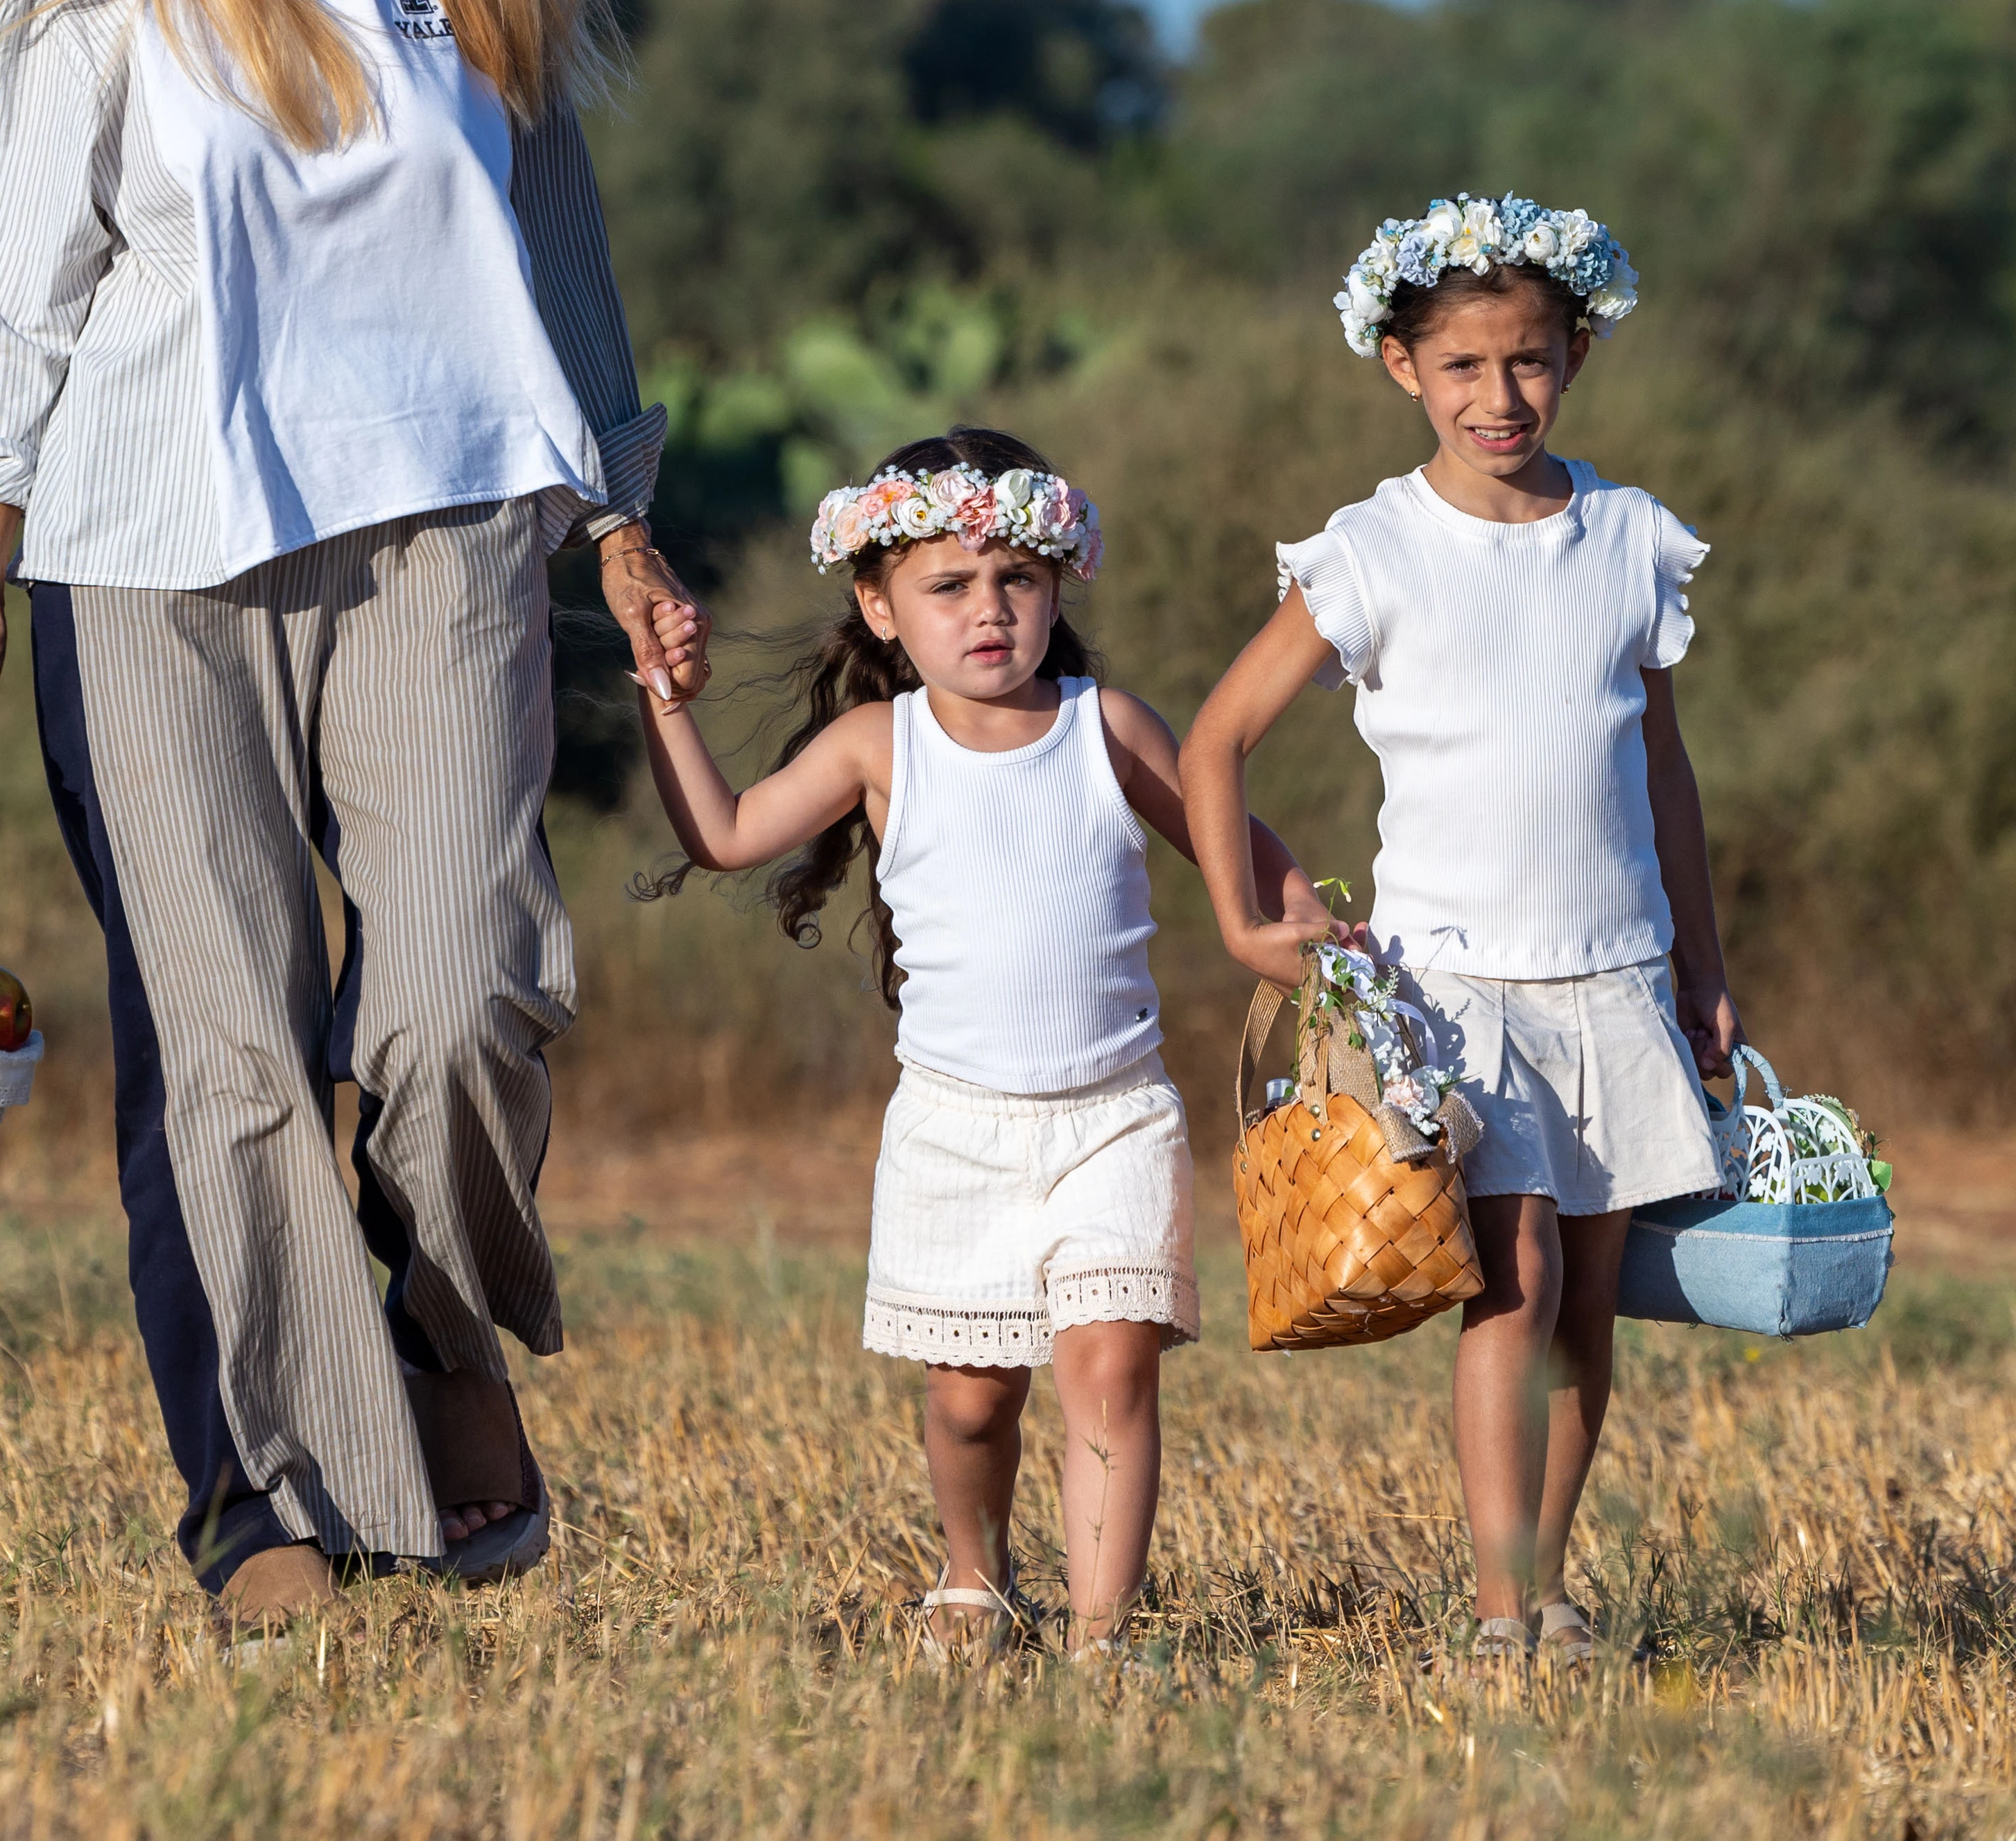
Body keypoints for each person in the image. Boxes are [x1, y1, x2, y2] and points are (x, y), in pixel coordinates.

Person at [0, 0, 705, 1634]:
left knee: (459, 1000)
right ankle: (271, 1510)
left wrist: (616, 514)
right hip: (146, 552)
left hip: (440, 536)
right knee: (231, 1049)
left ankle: (434, 1336)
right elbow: (2, 273)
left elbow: (554, 243)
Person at [625, 429, 1336, 1659]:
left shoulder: (1106, 725)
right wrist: (666, 707)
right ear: (880, 607)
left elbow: (1229, 831)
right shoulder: (877, 747)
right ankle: (976, 1572)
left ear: (1059, 583)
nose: (988, 611)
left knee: (1111, 1376)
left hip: (1114, 1114)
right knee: (969, 1403)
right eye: (947, 587)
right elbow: (728, 836)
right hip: (953, 1130)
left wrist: (1303, 915)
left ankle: (1103, 1637)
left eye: (1016, 579)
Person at [1177, 197, 1738, 1676]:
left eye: (1533, 361)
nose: (1501, 397)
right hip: (1456, 984)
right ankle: (1501, 1617)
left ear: (1579, 354)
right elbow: (1217, 740)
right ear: (1400, 369)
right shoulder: (1373, 550)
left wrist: (1704, 962)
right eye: (1465, 367)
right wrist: (1250, 918)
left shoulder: (1626, 539)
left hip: (1614, 968)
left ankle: (1550, 1587)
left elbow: (1662, 774)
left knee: (1591, 1311)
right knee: (1518, 1280)